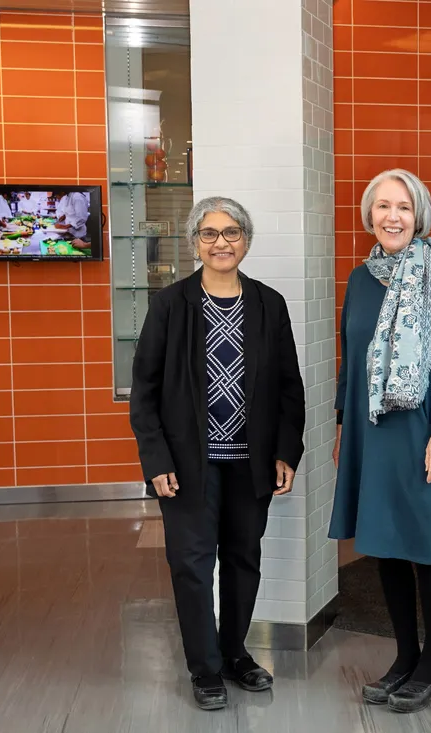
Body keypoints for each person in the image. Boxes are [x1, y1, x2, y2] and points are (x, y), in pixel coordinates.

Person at [129, 196, 306, 711]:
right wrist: (156, 460)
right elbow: (144, 390)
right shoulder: (170, 305)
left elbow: (289, 388)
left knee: (243, 559)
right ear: (194, 244)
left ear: (245, 240)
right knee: (191, 564)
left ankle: (234, 653)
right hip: (187, 466)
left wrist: (285, 451)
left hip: (250, 463)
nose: (221, 242)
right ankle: (204, 668)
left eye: (231, 233)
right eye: (209, 234)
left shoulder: (269, 304)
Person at [330, 169, 431, 714]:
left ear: (419, 215)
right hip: (373, 433)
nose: (392, 217)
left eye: (403, 207)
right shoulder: (360, 278)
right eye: (382, 207)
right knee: (387, 544)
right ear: (370, 214)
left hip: (425, 434)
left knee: (429, 547)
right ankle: (405, 656)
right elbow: (352, 361)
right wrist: (344, 424)